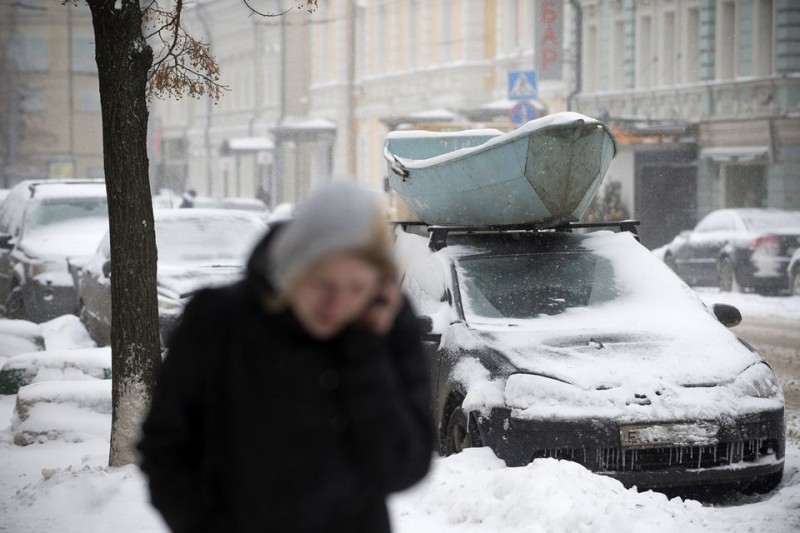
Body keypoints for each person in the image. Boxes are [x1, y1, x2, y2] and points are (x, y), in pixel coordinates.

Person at [138, 182, 434, 533]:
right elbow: (165, 446)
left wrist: (363, 350)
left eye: (356, 288)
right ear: (292, 267)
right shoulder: (219, 320)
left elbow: (402, 468)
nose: (336, 305)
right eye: (322, 284)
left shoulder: (384, 324)